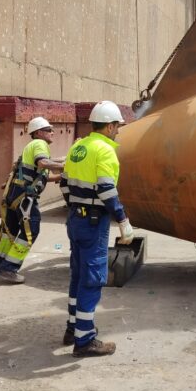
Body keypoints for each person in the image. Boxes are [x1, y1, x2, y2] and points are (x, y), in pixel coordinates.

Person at [60, 100, 134, 358]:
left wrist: (75, 208)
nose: (118, 131)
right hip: (93, 223)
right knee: (92, 280)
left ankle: (72, 328)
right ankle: (84, 340)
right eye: (117, 127)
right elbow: (106, 189)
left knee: (78, 274)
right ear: (110, 125)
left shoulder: (78, 147)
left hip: (75, 220)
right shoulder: (104, 150)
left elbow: (64, 184)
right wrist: (123, 220)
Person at [0, 117, 65, 284]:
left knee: (8, 233)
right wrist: (68, 166)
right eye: (49, 129)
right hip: (24, 197)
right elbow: (43, 163)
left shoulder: (31, 148)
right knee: (31, 231)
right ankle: (8, 268)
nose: (52, 132)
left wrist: (59, 176)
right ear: (39, 132)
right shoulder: (39, 145)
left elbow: (39, 174)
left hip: (14, 195)